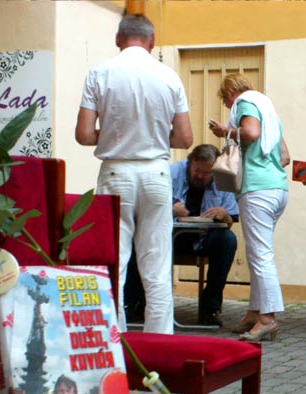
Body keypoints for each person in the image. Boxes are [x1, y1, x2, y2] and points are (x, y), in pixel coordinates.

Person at [75, 14, 193, 335]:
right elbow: (185, 138)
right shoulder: (169, 76)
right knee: (156, 264)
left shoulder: (99, 73)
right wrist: (151, 137)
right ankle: (159, 341)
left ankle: (115, 339)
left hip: (115, 172)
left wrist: (115, 135)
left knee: (115, 261)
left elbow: (84, 134)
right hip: (156, 172)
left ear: (118, 39)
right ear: (152, 42)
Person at [209, 74, 290, 342]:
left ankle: (267, 319)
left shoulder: (244, 103)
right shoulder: (269, 111)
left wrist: (226, 131)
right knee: (258, 252)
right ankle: (255, 312)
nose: (227, 106)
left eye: (225, 100)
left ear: (230, 94)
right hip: (277, 188)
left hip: (257, 189)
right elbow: (285, 156)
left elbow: (251, 133)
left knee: (261, 255)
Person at [126, 145, 239, 326]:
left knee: (228, 240)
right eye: (197, 170)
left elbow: (231, 220)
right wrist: (168, 208)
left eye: (206, 173)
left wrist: (224, 215)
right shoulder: (169, 173)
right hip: (167, 236)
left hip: (202, 238)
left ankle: (210, 308)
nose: (200, 176)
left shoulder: (222, 178)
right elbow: (143, 208)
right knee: (136, 239)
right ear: (190, 163)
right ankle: (134, 304)